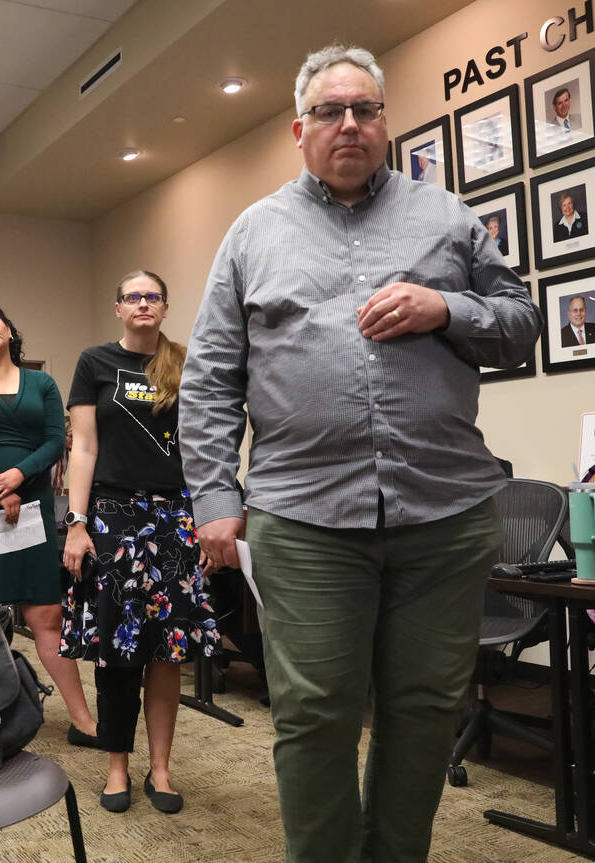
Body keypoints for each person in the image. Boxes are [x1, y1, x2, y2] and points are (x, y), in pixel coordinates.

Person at [179, 44, 541, 863]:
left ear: (384, 122)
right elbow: (206, 382)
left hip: (443, 513)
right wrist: (214, 496)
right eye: (333, 111)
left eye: (367, 109)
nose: (351, 124)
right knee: (314, 716)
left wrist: (445, 307)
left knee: (421, 711)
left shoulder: (446, 217)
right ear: (299, 129)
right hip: (304, 520)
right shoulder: (252, 233)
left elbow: (520, 323)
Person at [60, 271, 219, 815]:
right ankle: (116, 766)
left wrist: (209, 518)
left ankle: (162, 768)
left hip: (175, 514)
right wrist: (76, 522)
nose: (143, 304)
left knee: (168, 652)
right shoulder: (95, 362)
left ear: (165, 307)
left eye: (152, 296)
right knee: (116, 650)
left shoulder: (185, 361)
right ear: (118, 307)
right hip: (112, 516)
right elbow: (83, 447)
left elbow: (203, 446)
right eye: (133, 296)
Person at [0, 302, 98, 745]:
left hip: (31, 506)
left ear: (8, 330)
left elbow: (52, 442)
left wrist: (18, 477)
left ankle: (84, 719)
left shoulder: (42, 382)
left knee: (46, 611)